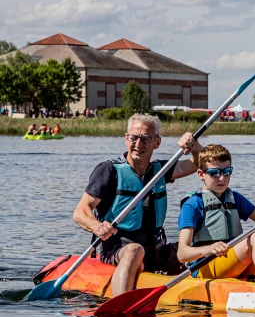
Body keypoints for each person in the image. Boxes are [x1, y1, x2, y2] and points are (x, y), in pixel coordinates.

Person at [72, 113, 203, 297]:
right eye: (133, 138)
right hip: (118, 250)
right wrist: (97, 226)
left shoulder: (161, 171)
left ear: (157, 142)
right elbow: (80, 212)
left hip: (156, 249)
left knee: (200, 247)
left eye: (145, 139)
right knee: (135, 250)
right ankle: (121, 305)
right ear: (126, 139)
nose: (138, 144)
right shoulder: (109, 170)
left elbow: (200, 163)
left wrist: (194, 146)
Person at [177, 144, 255, 284]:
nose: (222, 178)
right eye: (214, 173)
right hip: (207, 266)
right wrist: (209, 249)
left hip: (233, 262)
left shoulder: (235, 198)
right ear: (201, 174)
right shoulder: (193, 204)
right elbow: (182, 254)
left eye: (227, 172)